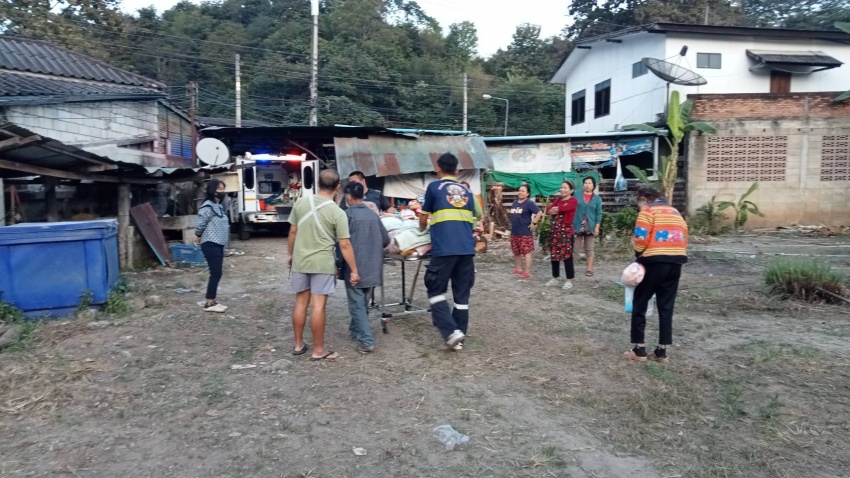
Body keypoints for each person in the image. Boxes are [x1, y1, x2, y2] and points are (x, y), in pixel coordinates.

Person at [288, 169, 360, 362]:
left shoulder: (301, 202)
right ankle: (318, 350)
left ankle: (298, 345)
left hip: (301, 260)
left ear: (318, 183)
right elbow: (345, 245)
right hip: (322, 263)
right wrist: (354, 269)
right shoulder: (337, 212)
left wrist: (290, 254)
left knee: (300, 302)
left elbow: (293, 231)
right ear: (338, 187)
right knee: (318, 306)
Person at [419, 153, 483, 350]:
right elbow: (477, 216)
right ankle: (459, 338)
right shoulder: (467, 192)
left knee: (435, 288)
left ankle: (450, 331)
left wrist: (422, 229)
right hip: (466, 249)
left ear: (437, 168)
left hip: (445, 248)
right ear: (457, 170)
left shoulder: (434, 187)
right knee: (461, 295)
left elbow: (423, 218)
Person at [623, 186, 689, 363]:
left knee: (640, 303)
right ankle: (662, 351)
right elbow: (684, 237)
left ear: (644, 199)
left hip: (653, 262)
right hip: (676, 262)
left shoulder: (648, 211)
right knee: (666, 306)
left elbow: (641, 238)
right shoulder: (675, 212)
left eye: (639, 203)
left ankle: (639, 349)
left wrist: (638, 254)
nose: (639, 207)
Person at [340, 182, 390, 354]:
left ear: (348, 197)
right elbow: (386, 240)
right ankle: (355, 330)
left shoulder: (346, 216)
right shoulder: (373, 215)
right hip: (373, 267)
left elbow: (341, 244)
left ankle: (366, 341)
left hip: (355, 268)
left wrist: (338, 264)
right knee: (362, 303)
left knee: (357, 305)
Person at [194, 179, 230, 313]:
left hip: (218, 243)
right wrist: (198, 235)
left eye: (223, 189)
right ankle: (209, 303)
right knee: (215, 273)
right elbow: (200, 223)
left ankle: (212, 300)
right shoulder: (207, 206)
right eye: (219, 189)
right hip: (210, 243)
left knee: (217, 273)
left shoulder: (218, 206)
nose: (222, 192)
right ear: (212, 190)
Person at [545, 181, 579, 290]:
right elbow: (548, 210)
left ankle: (569, 280)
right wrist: (559, 209)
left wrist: (558, 209)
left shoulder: (573, 200)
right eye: (561, 187)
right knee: (554, 255)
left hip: (566, 232)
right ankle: (555, 277)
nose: (562, 190)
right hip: (555, 231)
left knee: (567, 256)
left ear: (571, 190)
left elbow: (564, 209)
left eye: (565, 188)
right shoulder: (558, 200)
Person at [508, 184, 543, 279]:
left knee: (526, 252)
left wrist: (534, 223)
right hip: (514, 232)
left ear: (527, 194)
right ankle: (518, 268)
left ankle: (527, 271)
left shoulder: (529, 203)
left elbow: (539, 212)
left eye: (523, 191)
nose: (520, 192)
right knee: (516, 251)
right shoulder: (515, 202)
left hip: (524, 232)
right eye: (519, 190)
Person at [573, 176, 603, 277]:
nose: (587, 185)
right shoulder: (576, 194)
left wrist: (597, 227)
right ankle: (571, 268)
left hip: (590, 226)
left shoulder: (597, 199)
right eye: (585, 183)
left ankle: (589, 269)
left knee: (589, 248)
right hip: (577, 225)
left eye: (589, 183)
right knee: (574, 248)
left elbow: (598, 213)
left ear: (593, 185)